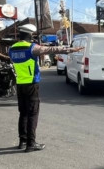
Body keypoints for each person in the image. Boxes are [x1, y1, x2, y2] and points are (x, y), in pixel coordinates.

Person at [10, 24, 83, 152]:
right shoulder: (32, 48)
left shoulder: (12, 49)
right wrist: (71, 49)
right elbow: (52, 49)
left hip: (19, 84)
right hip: (31, 84)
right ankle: (31, 143)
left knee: (23, 113)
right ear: (29, 35)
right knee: (33, 113)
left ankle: (23, 141)